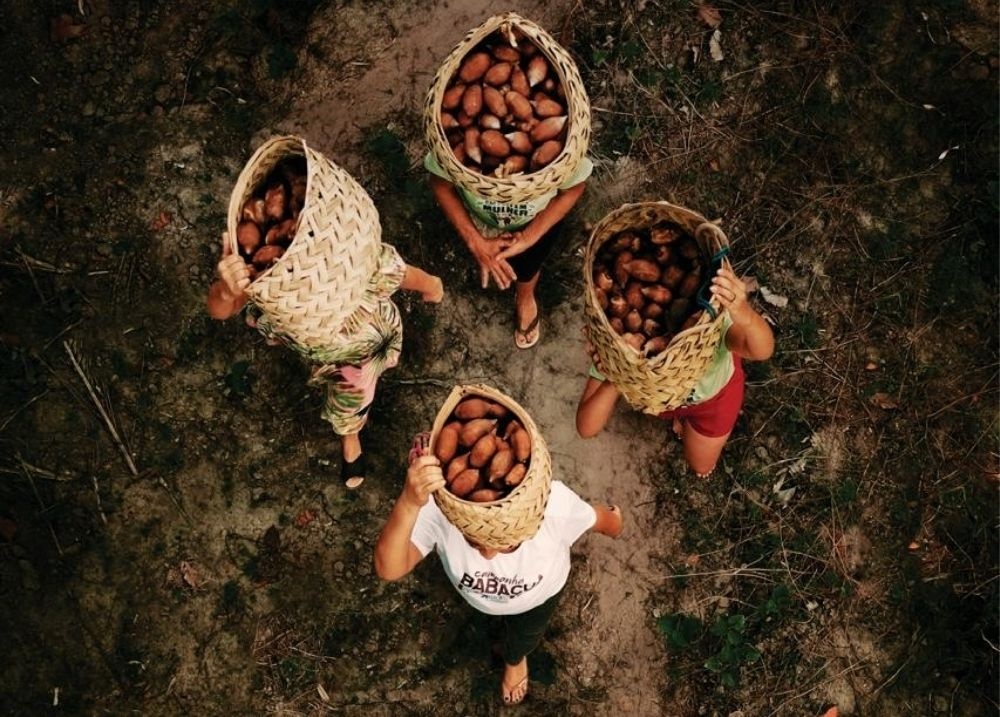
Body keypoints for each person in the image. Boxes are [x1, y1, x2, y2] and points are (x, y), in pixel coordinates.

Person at [374, 437, 623, 705]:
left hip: (541, 598)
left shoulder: (554, 506)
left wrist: (613, 520)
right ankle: (511, 648)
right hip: (484, 599)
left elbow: (597, 518)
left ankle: (515, 659)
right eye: (474, 540)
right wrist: (410, 503)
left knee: (526, 635)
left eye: (504, 543)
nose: (488, 554)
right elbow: (388, 568)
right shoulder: (441, 508)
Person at [207, 232, 444, 489]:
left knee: (352, 395)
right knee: (293, 333)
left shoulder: (363, 260)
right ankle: (306, 352)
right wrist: (226, 290)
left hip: (359, 354)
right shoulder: (270, 284)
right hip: (305, 337)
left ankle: (349, 433)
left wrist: (432, 285)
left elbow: (403, 274)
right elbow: (220, 310)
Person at [576, 265, 774, 479]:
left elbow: (762, 350)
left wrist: (744, 313)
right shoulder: (619, 349)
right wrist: (619, 375)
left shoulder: (710, 327)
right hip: (664, 400)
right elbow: (586, 427)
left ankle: (686, 421)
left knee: (701, 467)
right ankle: (679, 417)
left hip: (714, 398)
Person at [426, 153, 591, 349]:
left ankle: (525, 296)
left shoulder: (563, 156)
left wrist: (530, 236)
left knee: (531, 260)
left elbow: (573, 188)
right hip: (482, 211)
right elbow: (441, 183)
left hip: (539, 215)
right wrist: (475, 240)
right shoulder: (450, 154)